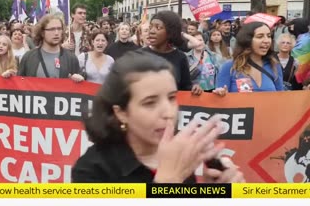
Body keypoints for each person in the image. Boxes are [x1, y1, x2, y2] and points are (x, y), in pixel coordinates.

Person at [72, 51, 244, 183]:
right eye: (150, 103)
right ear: (121, 113)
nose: (168, 113)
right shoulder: (91, 170)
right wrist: (168, 182)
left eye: (171, 98)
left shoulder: (178, 153)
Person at [139, 11, 202, 94]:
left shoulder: (180, 57)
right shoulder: (139, 56)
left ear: (170, 32)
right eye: (150, 27)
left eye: (158, 28)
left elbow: (185, 88)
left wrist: (194, 88)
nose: (151, 31)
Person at [217, 22, 284, 92]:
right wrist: (220, 94)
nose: (266, 41)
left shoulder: (274, 65)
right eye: (260, 36)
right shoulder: (229, 67)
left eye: (269, 36)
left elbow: (280, 97)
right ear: (247, 40)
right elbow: (220, 97)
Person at [18, 14, 83, 82]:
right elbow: (19, 84)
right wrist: (8, 78)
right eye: (52, 29)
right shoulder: (29, 57)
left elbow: (78, 89)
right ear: (42, 32)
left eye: (59, 29)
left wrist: (80, 80)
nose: (56, 33)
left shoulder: (71, 58)